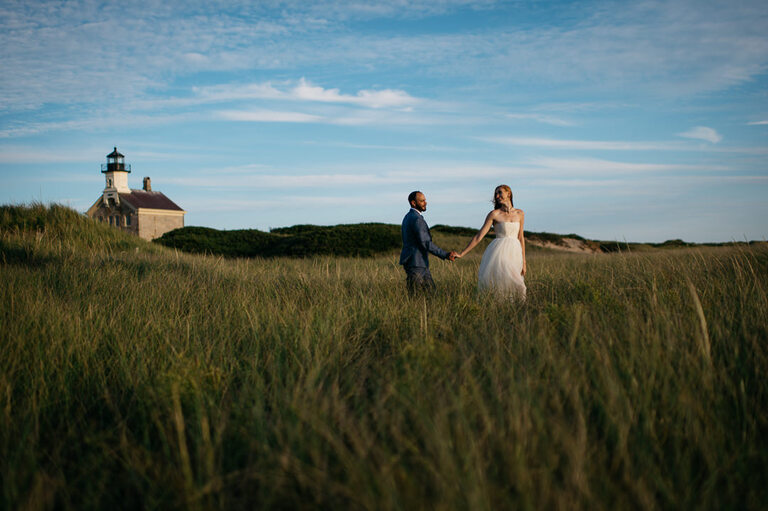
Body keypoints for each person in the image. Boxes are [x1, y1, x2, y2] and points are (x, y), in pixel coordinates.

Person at [457, 185, 526, 301]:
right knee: (503, 281)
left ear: (508, 193)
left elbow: (521, 237)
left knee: (517, 284)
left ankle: (516, 309)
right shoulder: (494, 214)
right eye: (496, 194)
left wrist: (524, 261)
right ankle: (499, 306)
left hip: (515, 253)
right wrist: (462, 253)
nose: (497, 196)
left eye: (500, 193)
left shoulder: (520, 213)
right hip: (499, 252)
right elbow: (479, 236)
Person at [399, 191, 458, 295]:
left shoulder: (408, 216)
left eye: (425, 200)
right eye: (422, 201)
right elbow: (425, 243)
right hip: (416, 263)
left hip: (418, 263)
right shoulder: (417, 219)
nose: (425, 203)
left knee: (431, 294)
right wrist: (445, 254)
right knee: (416, 296)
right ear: (413, 203)